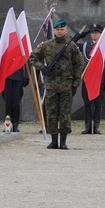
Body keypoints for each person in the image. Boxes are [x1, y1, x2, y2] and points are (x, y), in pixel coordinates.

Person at [28, 19, 84, 149]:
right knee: (51, 112)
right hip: (51, 85)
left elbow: (79, 65)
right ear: (54, 31)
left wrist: (75, 83)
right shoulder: (46, 45)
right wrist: (42, 67)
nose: (59, 32)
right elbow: (32, 58)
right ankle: (53, 140)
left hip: (66, 85)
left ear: (66, 30)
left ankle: (63, 141)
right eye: (57, 30)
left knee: (64, 114)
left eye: (62, 30)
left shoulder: (71, 46)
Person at [0, 32, 29, 132]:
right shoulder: (5, 41)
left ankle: (15, 123)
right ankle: (8, 124)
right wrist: (1, 34)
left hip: (18, 76)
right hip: (6, 76)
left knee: (16, 102)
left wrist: (26, 77)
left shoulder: (20, 42)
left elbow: (26, 60)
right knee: (8, 102)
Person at [78, 23, 105, 134]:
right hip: (87, 78)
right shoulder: (85, 45)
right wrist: (81, 35)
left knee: (98, 103)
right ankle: (87, 126)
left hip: (99, 79)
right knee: (87, 103)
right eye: (92, 32)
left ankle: (96, 127)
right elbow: (72, 44)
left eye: (96, 32)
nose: (94, 35)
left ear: (101, 34)